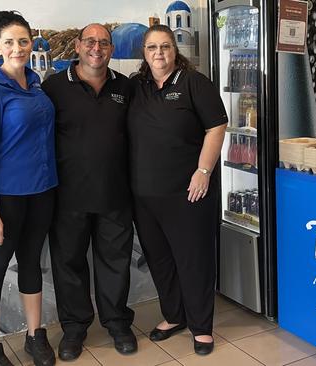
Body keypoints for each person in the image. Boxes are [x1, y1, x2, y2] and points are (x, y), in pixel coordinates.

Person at [127, 24, 227, 356]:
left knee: (194, 259)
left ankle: (201, 327)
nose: (159, 53)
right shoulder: (135, 87)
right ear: (144, 52)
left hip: (188, 193)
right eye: (153, 47)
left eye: (165, 46)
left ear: (175, 50)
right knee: (160, 259)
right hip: (144, 195)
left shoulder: (193, 83)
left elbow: (216, 126)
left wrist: (203, 171)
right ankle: (174, 316)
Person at [41, 23, 137, 361]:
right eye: (91, 41)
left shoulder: (125, 87)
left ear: (111, 49)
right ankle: (74, 328)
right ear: (78, 46)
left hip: (116, 194)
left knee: (115, 263)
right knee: (68, 264)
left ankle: (117, 323)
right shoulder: (53, 87)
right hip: (68, 196)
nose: (97, 48)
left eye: (104, 43)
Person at [0, 10, 57, 366]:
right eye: (9, 42)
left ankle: (35, 335)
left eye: (23, 41)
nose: (18, 48)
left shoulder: (35, 83)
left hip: (42, 192)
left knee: (31, 263)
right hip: (6, 197)